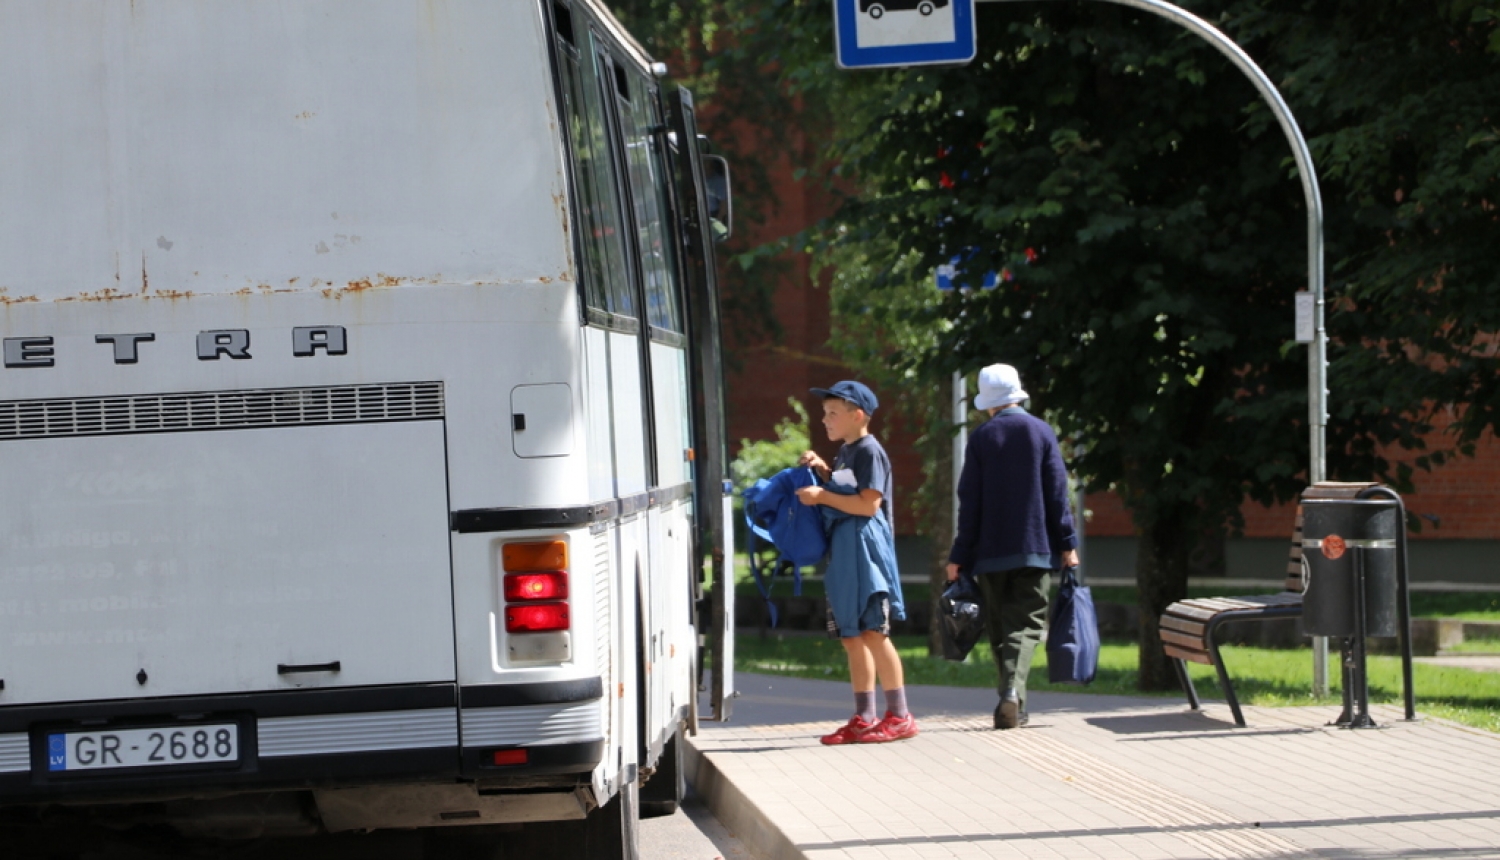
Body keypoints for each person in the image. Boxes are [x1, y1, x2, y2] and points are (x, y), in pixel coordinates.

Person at [946, 364, 1079, 730]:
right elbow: (1057, 494)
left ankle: (1014, 703)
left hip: (988, 553)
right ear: (1018, 394)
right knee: (1028, 624)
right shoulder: (1041, 432)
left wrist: (960, 554)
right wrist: (1067, 543)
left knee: (1000, 628)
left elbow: (968, 502)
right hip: (1034, 549)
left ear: (987, 402)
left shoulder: (982, 438)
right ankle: (1012, 695)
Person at [795, 380, 917, 745]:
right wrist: (824, 475)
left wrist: (820, 496)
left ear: (857, 415)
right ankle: (864, 717)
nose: (825, 420)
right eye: (824, 413)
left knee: (874, 634)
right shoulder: (848, 451)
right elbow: (847, 489)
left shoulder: (869, 451)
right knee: (851, 636)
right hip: (845, 556)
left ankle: (900, 716)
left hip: (867, 557)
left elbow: (867, 504)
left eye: (833, 414)